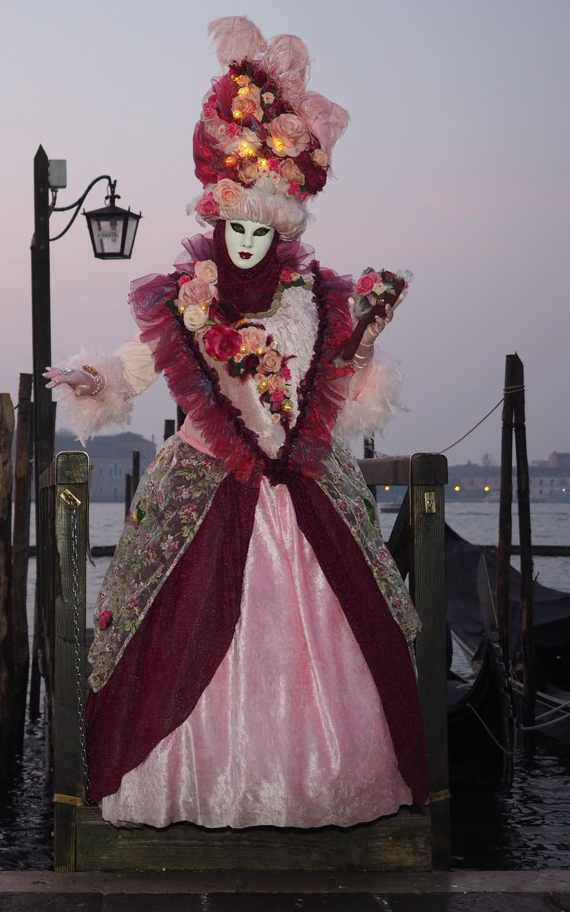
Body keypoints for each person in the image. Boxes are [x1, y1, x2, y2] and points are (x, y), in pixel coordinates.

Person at [43, 16, 427, 830]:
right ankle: (185, 781)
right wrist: (90, 378)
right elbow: (135, 365)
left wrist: (365, 337)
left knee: (340, 620)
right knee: (181, 622)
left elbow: (340, 388)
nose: (247, 243)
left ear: (280, 231)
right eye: (236, 229)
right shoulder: (188, 299)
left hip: (303, 480)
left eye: (261, 230)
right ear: (218, 226)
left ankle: (322, 782)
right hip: (205, 480)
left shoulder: (311, 301)